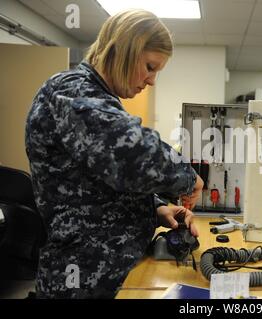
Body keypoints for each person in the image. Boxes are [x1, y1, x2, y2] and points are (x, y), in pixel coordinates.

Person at [25, 9, 203, 298]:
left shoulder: (99, 99)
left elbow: (98, 179)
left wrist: (155, 208)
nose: (151, 80)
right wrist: (187, 177)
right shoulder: (71, 90)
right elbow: (130, 153)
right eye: (149, 66)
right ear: (122, 49)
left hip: (110, 275)